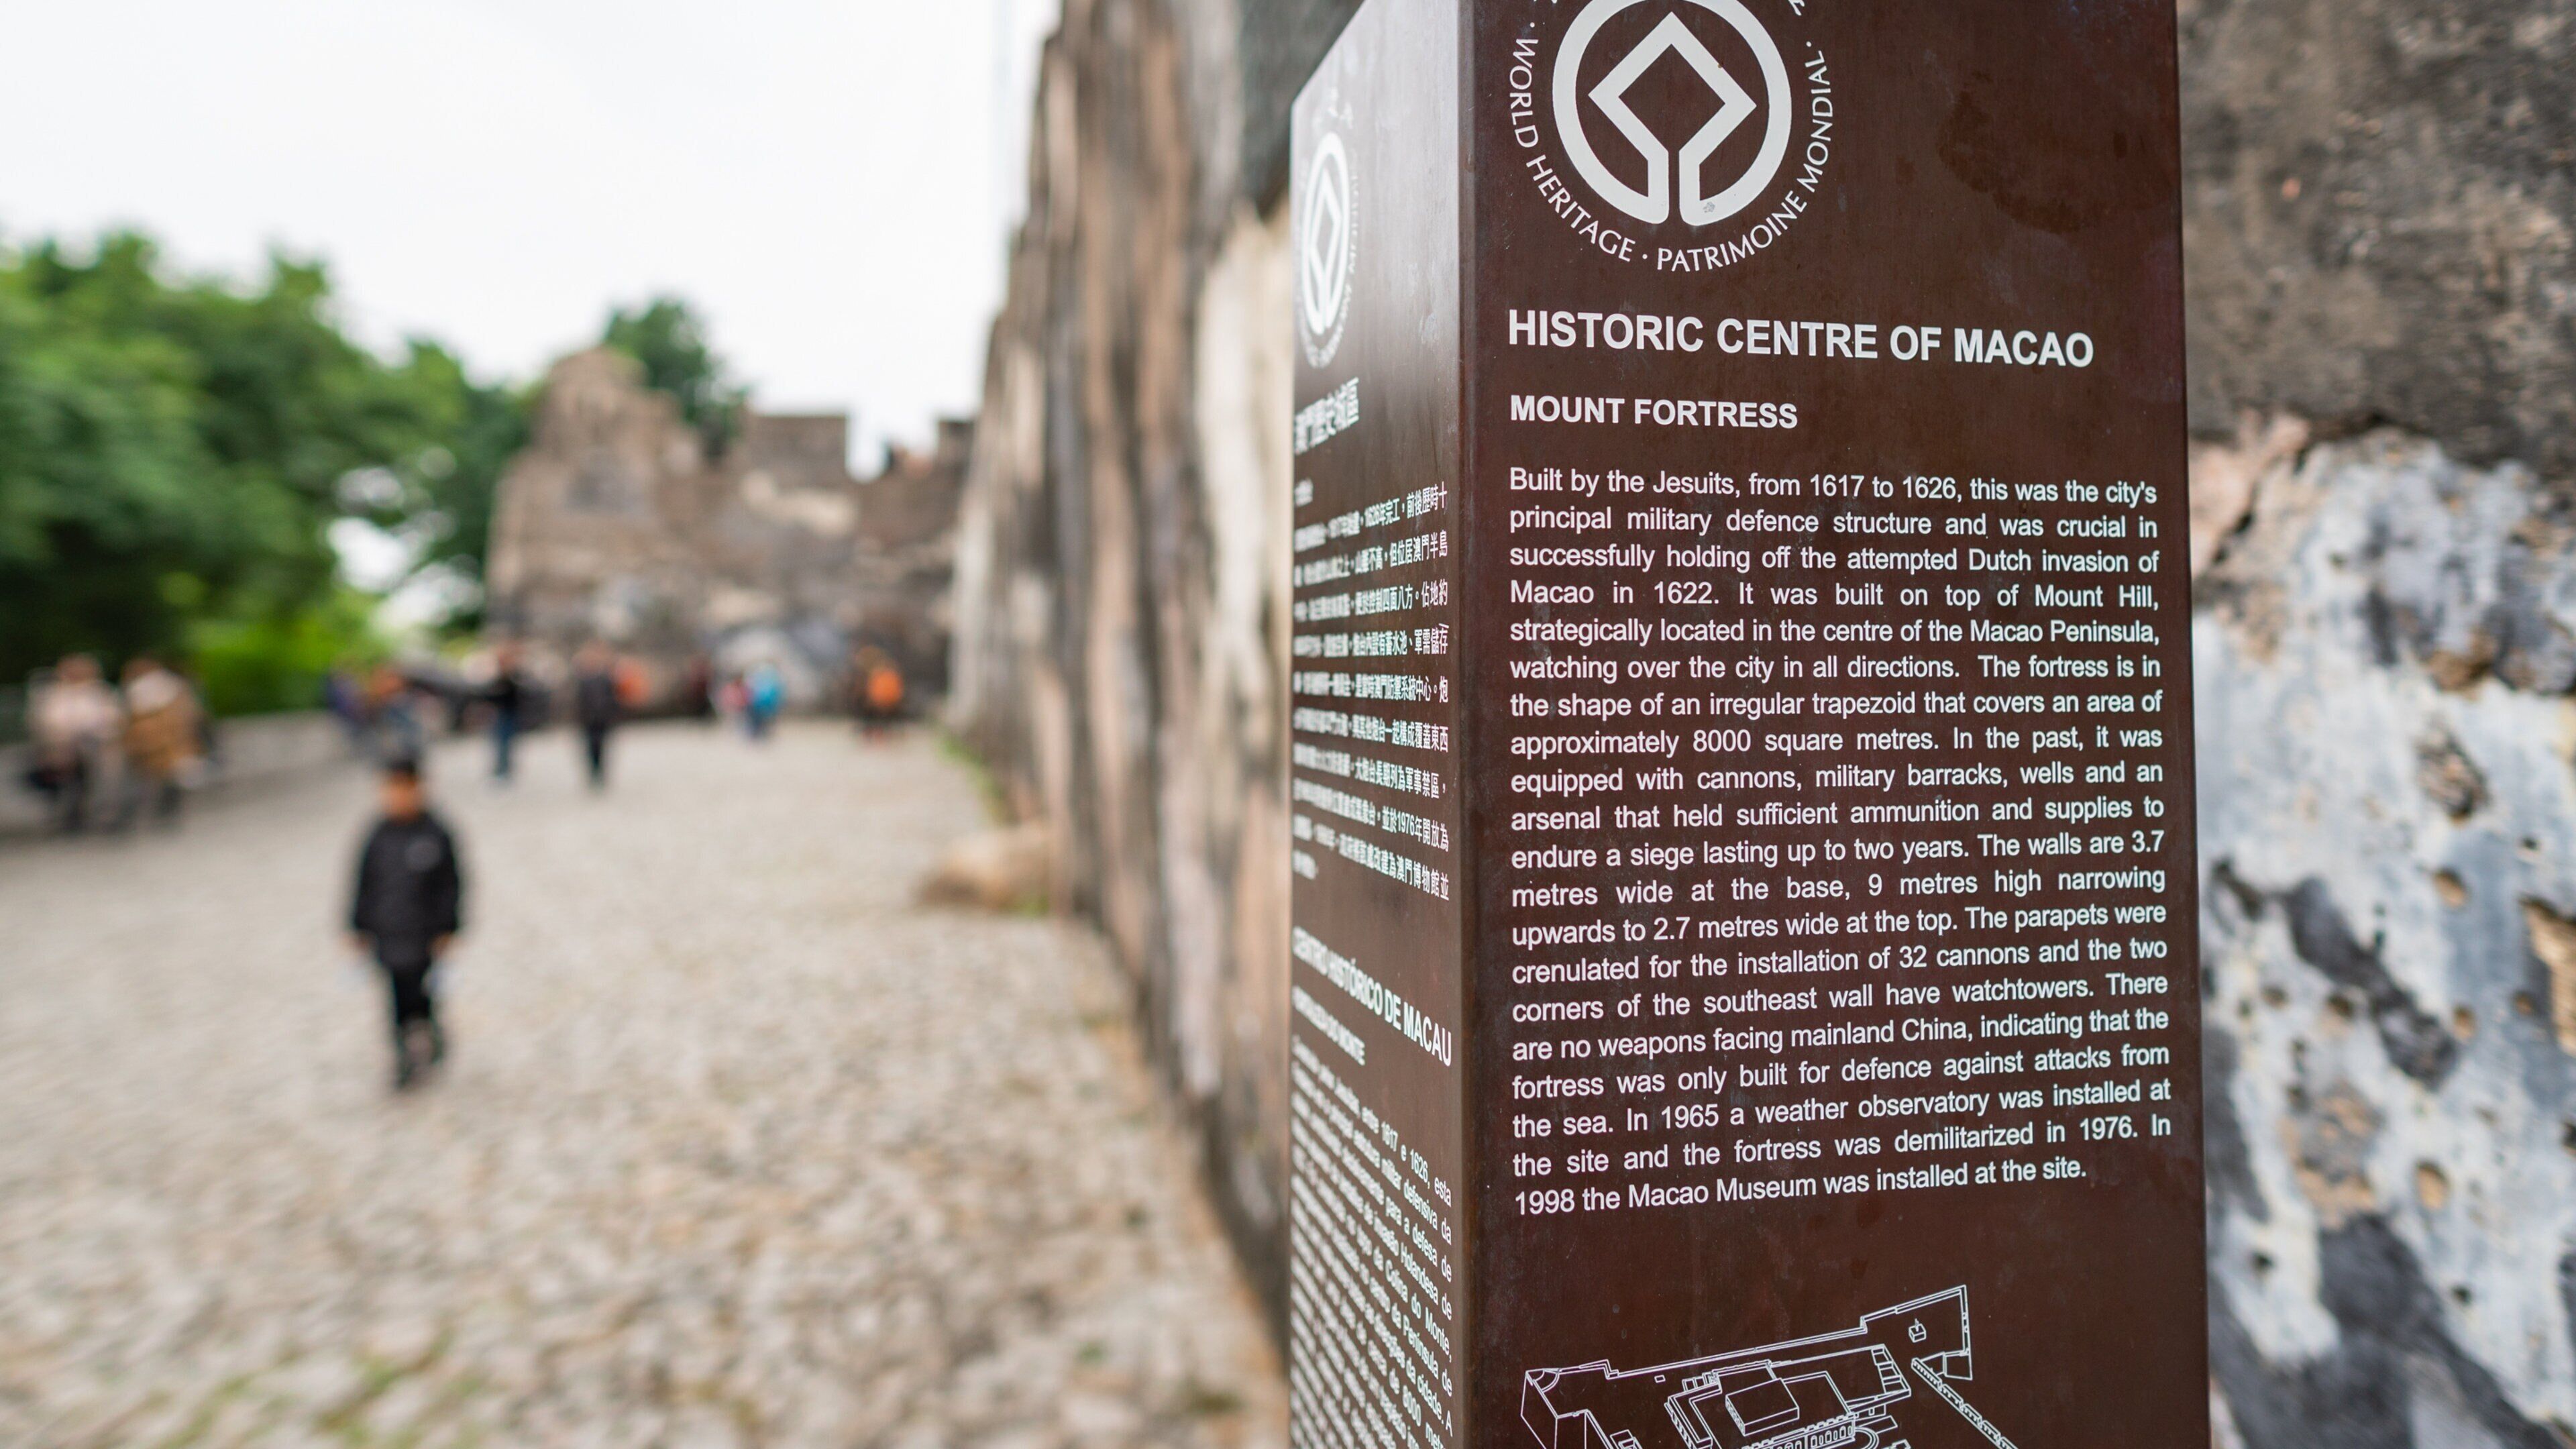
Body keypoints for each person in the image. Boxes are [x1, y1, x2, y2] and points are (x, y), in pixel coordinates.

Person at [346, 757, 464, 1091]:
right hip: (387, 933)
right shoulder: (376, 834)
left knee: (421, 994)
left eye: (403, 788)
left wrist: (449, 927)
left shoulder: (437, 833)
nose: (396, 797)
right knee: (394, 997)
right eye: (389, 789)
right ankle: (403, 1056)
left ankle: (429, 1029)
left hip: (424, 935)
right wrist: (357, 925)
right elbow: (362, 882)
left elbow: (452, 885)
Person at [28, 655, 123, 835]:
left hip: (94, 745)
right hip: (62, 746)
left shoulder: (99, 693)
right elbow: (46, 722)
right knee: (64, 779)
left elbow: (111, 720)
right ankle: (68, 813)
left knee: (97, 777)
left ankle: (95, 813)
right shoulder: (54, 695)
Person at [118, 657, 203, 828]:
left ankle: (164, 813)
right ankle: (160, 813)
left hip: (165, 743)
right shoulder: (163, 689)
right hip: (155, 744)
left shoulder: (167, 689)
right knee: (157, 780)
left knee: (166, 778)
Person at [571, 642, 622, 790]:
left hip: (602, 718)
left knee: (601, 746)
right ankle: (593, 773)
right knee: (590, 747)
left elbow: (613, 697)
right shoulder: (582, 680)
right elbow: (578, 701)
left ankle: (600, 773)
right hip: (588, 719)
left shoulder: (606, 678)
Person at [484, 644, 530, 783]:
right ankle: (501, 770)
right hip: (500, 714)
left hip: (509, 714)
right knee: (500, 744)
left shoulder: (512, 676)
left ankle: (504, 771)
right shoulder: (499, 676)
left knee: (505, 744)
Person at [850, 646, 906, 741]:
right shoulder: (874, 675)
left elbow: (891, 693)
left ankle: (873, 729)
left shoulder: (884, 675)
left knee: (865, 706)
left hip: (886, 704)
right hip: (883, 704)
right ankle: (870, 728)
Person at [745, 661, 785, 742]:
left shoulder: (763, 678)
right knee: (764, 719)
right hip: (763, 703)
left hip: (760, 702)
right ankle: (761, 734)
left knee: (761, 720)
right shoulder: (772, 678)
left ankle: (759, 734)